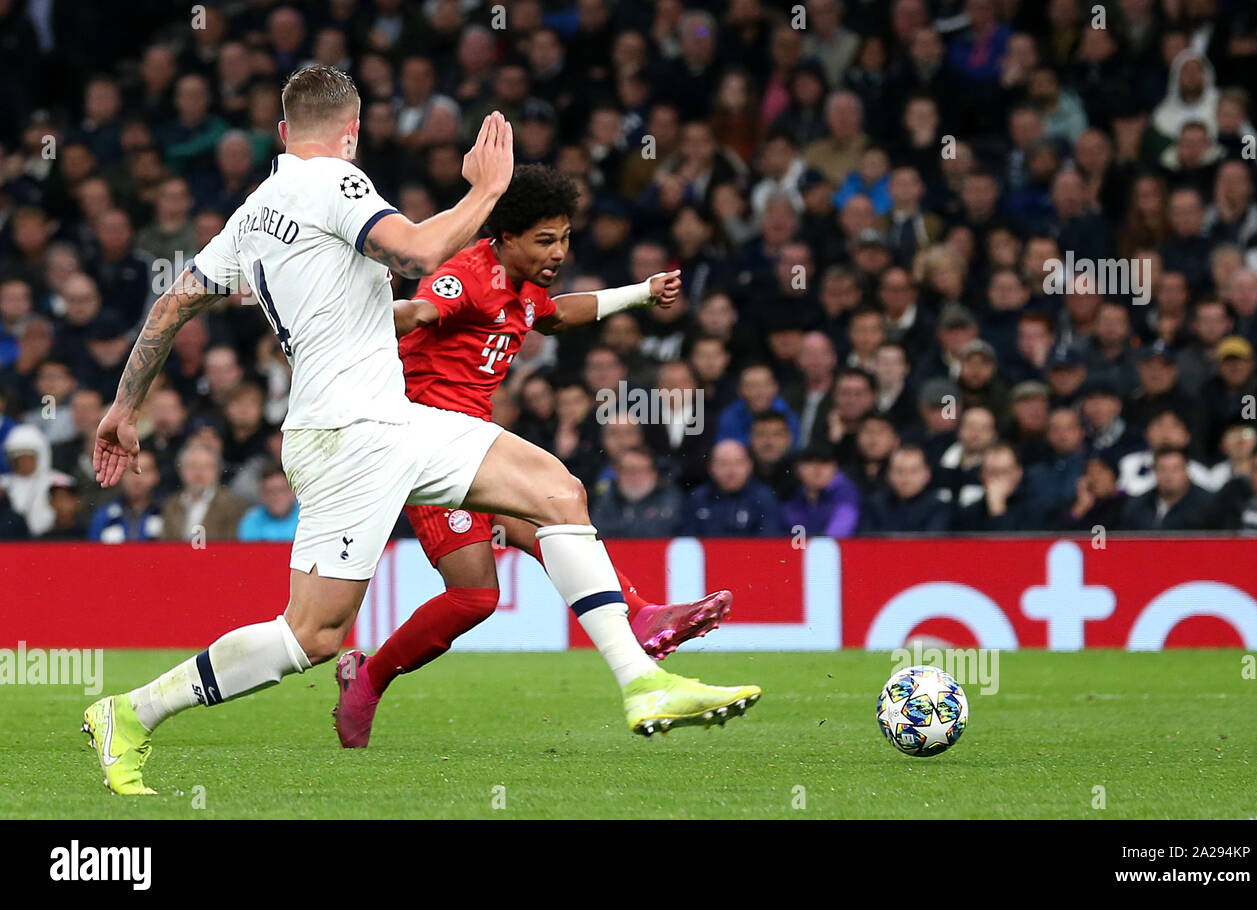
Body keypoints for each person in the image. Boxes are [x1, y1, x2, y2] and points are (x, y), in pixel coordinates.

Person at [83, 66, 759, 796]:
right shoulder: (336, 184)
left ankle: (641, 681)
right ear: (354, 132)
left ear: (282, 132)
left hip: (387, 421)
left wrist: (124, 407)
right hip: (349, 433)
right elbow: (416, 254)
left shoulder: (252, 213)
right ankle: (131, 711)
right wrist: (487, 190)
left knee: (557, 492)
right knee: (310, 637)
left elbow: (174, 304)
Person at [339, 165, 732, 747]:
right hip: (423, 445)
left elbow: (557, 316)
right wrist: (345, 327)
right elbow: (421, 312)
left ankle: (642, 616)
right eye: (545, 240)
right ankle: (367, 679)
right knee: (475, 596)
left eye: (566, 236)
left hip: (473, 446)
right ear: (506, 237)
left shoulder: (525, 287)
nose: (559, 251)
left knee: (554, 512)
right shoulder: (467, 274)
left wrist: (640, 294)